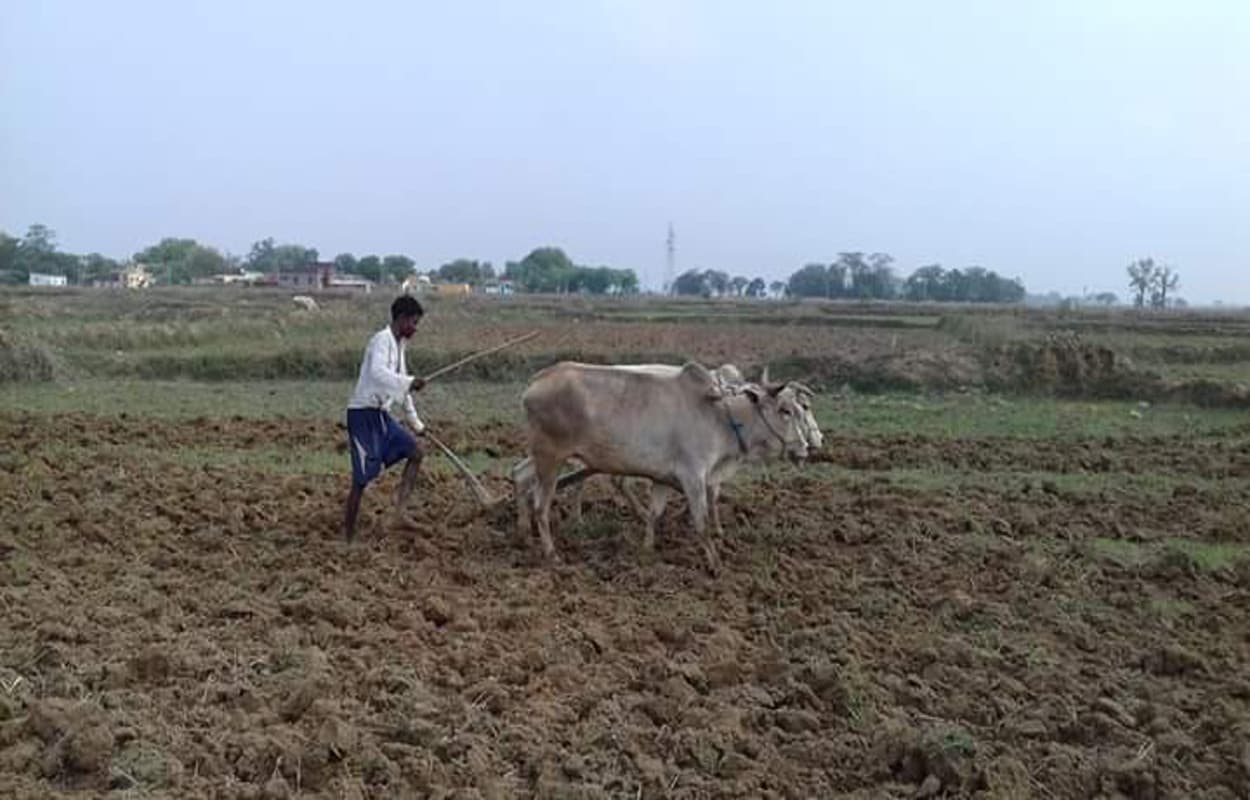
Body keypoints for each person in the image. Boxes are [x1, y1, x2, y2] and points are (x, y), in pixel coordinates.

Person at [342, 295, 428, 540]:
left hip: (381, 415)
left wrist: (417, 424)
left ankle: (400, 513)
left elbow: (400, 389)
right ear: (401, 319)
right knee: (361, 480)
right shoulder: (381, 341)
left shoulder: (400, 346)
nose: (415, 328)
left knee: (416, 451)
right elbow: (379, 374)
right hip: (363, 415)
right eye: (413, 322)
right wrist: (410, 382)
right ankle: (348, 536)